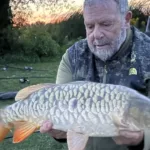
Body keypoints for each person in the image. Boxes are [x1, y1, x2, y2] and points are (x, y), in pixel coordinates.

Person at [40, 0, 150, 149]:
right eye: (90, 26)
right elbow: (59, 112)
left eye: (106, 24)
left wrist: (142, 139)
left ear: (126, 19)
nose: (96, 35)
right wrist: (59, 131)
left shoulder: (146, 53)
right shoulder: (73, 56)